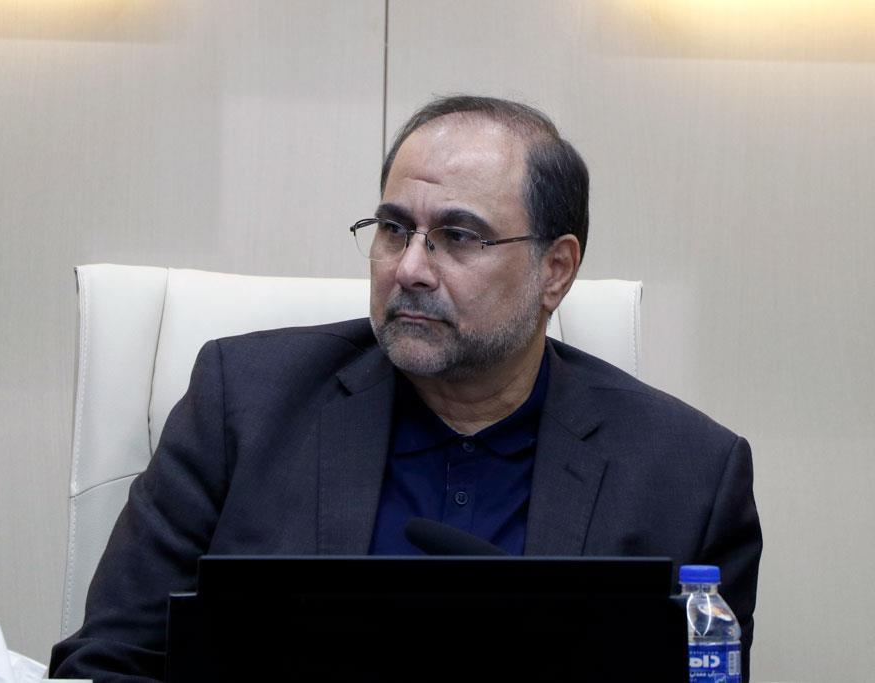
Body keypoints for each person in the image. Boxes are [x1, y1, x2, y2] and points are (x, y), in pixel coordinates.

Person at [50, 95, 762, 680]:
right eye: (394, 229)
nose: (410, 268)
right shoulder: (243, 404)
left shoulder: (689, 477)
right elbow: (109, 662)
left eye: (459, 236)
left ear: (555, 271)